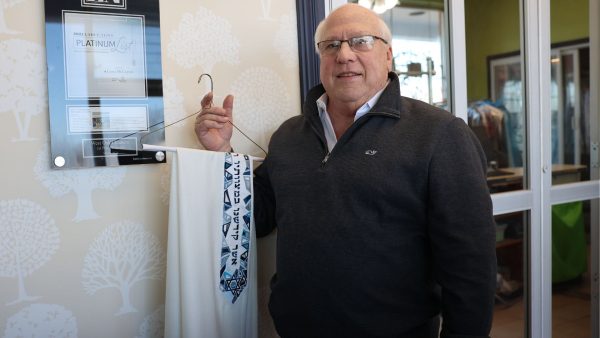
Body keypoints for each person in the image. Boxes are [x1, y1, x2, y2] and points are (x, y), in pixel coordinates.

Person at [194, 4, 496, 338]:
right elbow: (258, 217)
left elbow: (471, 270)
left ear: (388, 55)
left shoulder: (440, 135)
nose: (345, 55)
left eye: (361, 41)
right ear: (320, 57)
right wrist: (222, 152)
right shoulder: (289, 135)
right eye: (331, 45)